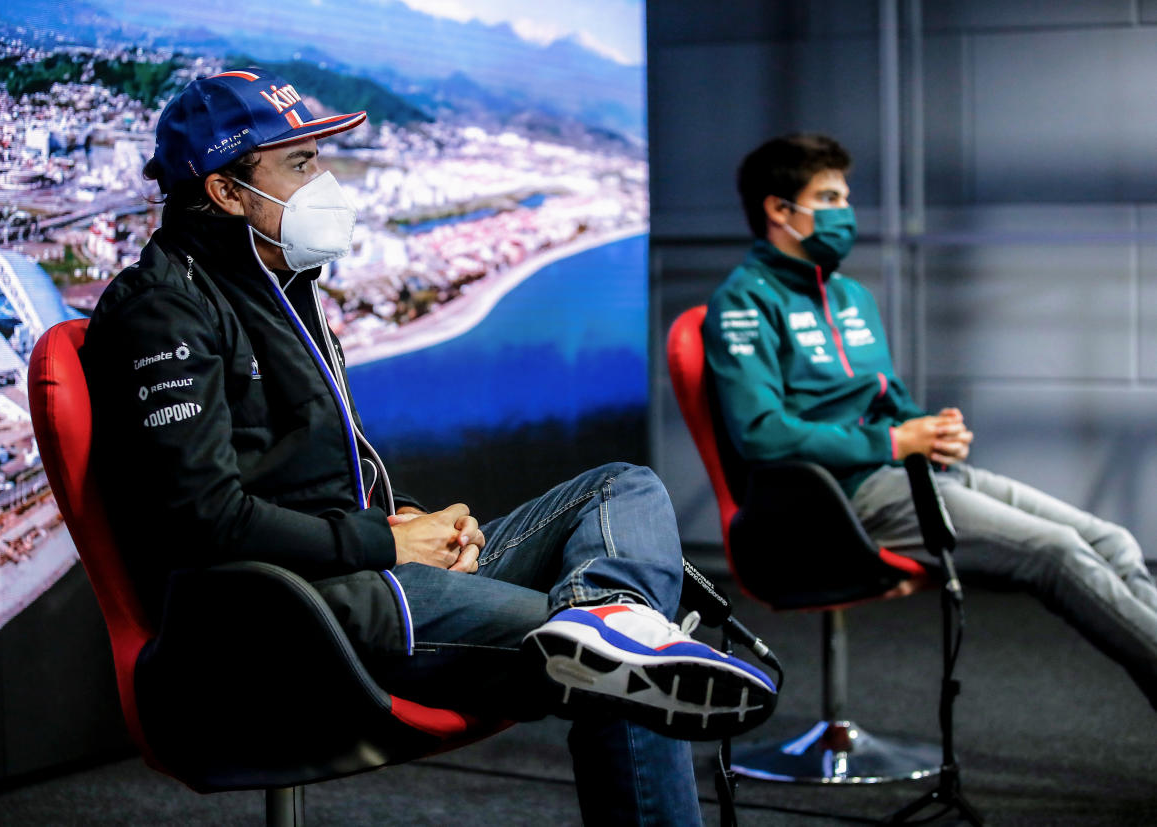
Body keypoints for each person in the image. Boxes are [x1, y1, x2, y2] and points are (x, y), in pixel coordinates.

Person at [81, 67, 775, 825]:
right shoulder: (163, 308)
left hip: (363, 564)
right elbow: (202, 519)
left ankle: (604, 616)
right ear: (224, 190)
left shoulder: (283, 283)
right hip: (297, 608)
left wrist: (415, 520)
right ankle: (609, 630)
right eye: (302, 163)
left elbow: (320, 470)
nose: (328, 180)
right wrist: (384, 539)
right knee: (619, 668)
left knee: (623, 489)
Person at [704, 132, 1157, 710]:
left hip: (915, 472)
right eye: (831, 198)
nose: (847, 213)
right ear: (779, 209)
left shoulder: (850, 297)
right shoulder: (744, 302)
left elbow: (889, 398)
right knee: (1058, 552)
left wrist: (931, 429)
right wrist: (893, 440)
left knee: (1112, 540)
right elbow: (763, 436)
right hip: (838, 499)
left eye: (846, 197)